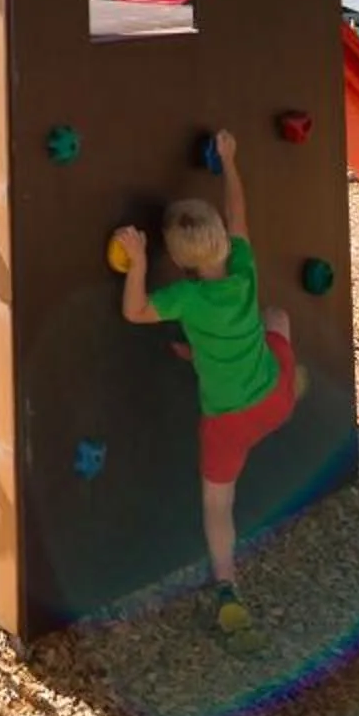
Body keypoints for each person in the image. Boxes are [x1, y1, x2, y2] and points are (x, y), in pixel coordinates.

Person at [108, 130, 297, 636]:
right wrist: (229, 160)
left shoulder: (186, 299)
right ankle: (243, 362)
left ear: (179, 262)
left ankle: (227, 586)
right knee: (277, 318)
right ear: (223, 242)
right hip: (273, 396)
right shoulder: (244, 270)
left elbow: (135, 311)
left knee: (217, 503)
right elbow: (238, 213)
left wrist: (138, 263)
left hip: (228, 422)